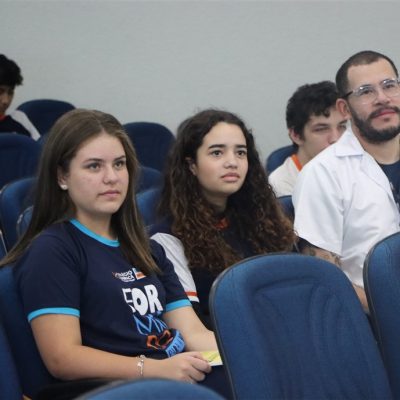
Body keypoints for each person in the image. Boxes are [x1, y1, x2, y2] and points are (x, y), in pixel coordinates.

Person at [0, 109, 228, 398]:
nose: (112, 178)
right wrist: (154, 370)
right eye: (94, 167)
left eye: (119, 164)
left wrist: (254, 353)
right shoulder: (52, 250)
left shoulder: (147, 247)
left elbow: (194, 334)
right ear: (62, 176)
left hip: (171, 374)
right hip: (114, 389)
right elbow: (63, 359)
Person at [151, 109, 296, 327]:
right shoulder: (168, 238)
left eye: (240, 153)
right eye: (217, 153)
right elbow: (194, 328)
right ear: (191, 165)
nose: (232, 162)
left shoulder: (264, 220)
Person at [293, 50, 400, 311]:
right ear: (344, 108)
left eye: (389, 86)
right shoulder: (322, 174)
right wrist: (387, 311)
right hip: (377, 323)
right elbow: (325, 278)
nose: (382, 99)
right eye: (366, 91)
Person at [268, 81, 348, 197]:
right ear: (296, 135)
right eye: (321, 129)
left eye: (341, 126)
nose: (336, 139)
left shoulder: (356, 168)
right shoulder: (280, 186)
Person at [0, 54, 40, 140]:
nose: (6, 101)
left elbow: (41, 150)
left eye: (10, 92)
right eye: (0, 91)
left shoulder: (19, 119)